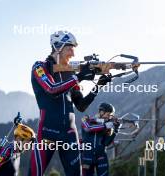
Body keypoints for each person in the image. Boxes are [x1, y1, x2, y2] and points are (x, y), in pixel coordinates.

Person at [29, 30, 111, 176]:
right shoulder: (39, 67)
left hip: (69, 133)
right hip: (47, 132)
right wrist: (79, 76)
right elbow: (52, 89)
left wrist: (99, 85)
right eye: (70, 48)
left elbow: (81, 105)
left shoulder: (70, 73)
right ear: (58, 47)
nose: (73, 54)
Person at [81, 102, 120, 176]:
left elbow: (106, 143)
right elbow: (88, 128)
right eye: (108, 115)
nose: (109, 117)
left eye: (111, 116)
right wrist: (105, 126)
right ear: (101, 112)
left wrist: (115, 130)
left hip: (101, 156)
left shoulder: (107, 125)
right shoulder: (86, 119)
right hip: (87, 157)